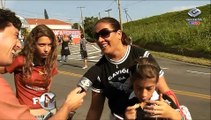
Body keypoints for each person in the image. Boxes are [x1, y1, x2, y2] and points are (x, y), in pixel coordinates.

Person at [77, 17, 180, 120]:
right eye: (97, 36)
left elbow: (165, 90)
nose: (100, 40)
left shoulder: (141, 55)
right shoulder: (98, 70)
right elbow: (95, 109)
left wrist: (173, 112)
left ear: (119, 34)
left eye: (104, 33)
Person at [0, 9, 85, 120]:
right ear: (33, 44)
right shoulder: (21, 60)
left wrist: (57, 111)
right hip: (28, 114)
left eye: (49, 45)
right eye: (42, 45)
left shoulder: (50, 63)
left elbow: (47, 89)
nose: (46, 49)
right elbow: (2, 69)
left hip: (50, 111)